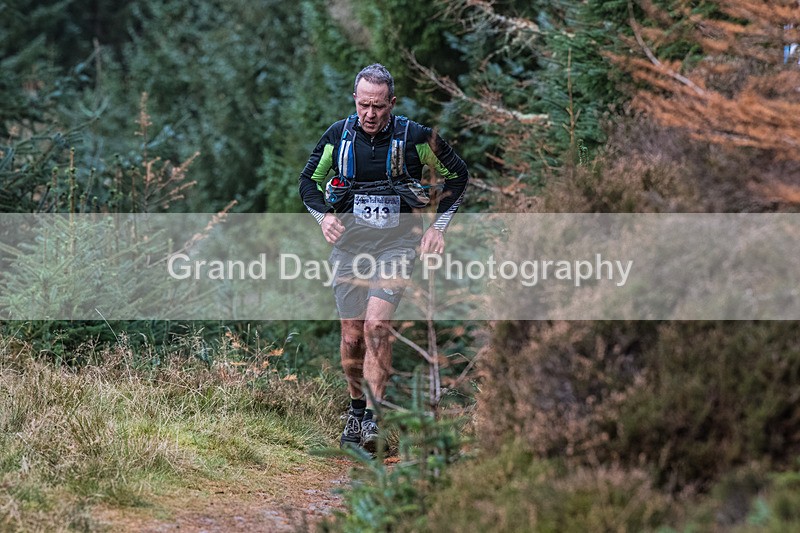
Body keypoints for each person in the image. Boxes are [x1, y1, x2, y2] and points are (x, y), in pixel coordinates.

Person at [298, 63, 469, 452]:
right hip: (349, 248)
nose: (370, 114)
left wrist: (437, 227)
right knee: (352, 335)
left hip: (397, 246)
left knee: (377, 326)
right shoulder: (337, 136)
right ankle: (356, 409)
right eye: (363, 105)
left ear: (392, 103)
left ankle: (374, 418)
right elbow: (306, 182)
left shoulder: (416, 138)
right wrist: (323, 217)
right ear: (354, 101)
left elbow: (458, 177)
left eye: (378, 106)